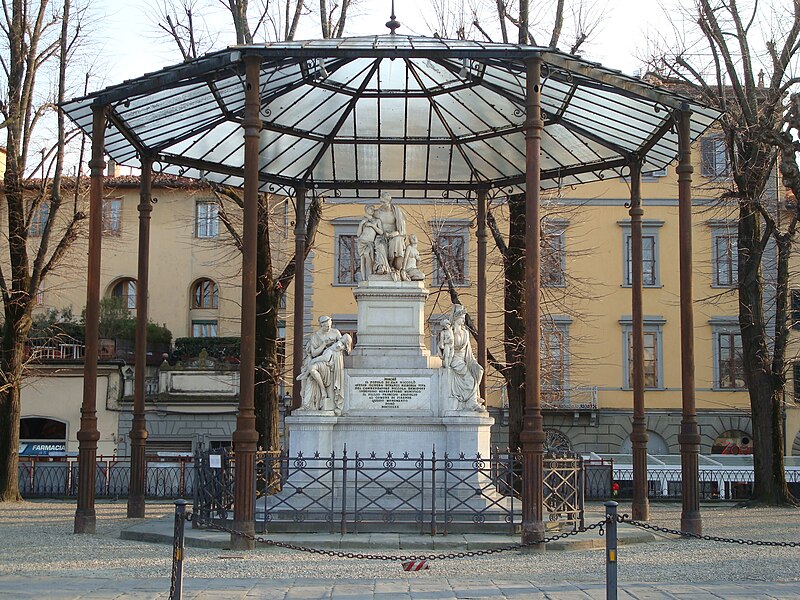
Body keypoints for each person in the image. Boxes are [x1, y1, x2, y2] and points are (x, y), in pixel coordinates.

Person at [297, 334, 352, 415]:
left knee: (312, 368)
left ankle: (322, 390)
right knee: (310, 377)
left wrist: (314, 360)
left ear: (345, 341)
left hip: (325, 365)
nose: (341, 337)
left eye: (343, 337)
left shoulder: (338, 346)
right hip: (323, 363)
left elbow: (326, 357)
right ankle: (310, 400)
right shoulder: (337, 343)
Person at [445, 307, 485, 412]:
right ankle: (471, 403)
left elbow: (469, 351)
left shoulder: (465, 333)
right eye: (461, 318)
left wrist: (473, 363)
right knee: (470, 379)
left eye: (463, 318)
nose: (463, 320)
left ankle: (473, 398)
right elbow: (445, 347)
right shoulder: (451, 332)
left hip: (465, 359)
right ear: (456, 318)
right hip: (454, 359)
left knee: (478, 371)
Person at [373, 192, 407, 272]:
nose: (381, 204)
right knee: (380, 246)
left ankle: (392, 264)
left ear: (389, 201)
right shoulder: (377, 213)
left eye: (383, 202)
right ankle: (382, 267)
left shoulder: (396, 212)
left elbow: (402, 230)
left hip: (394, 235)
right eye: (380, 201)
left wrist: (395, 233)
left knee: (397, 240)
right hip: (381, 236)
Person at [356, 205, 389, 279]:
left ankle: (370, 274)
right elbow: (358, 234)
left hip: (370, 242)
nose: (372, 211)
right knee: (362, 260)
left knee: (367, 254)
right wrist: (361, 224)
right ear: (366, 209)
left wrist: (372, 225)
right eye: (371, 209)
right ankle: (364, 279)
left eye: (373, 210)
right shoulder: (363, 220)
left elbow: (381, 232)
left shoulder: (377, 220)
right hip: (362, 241)